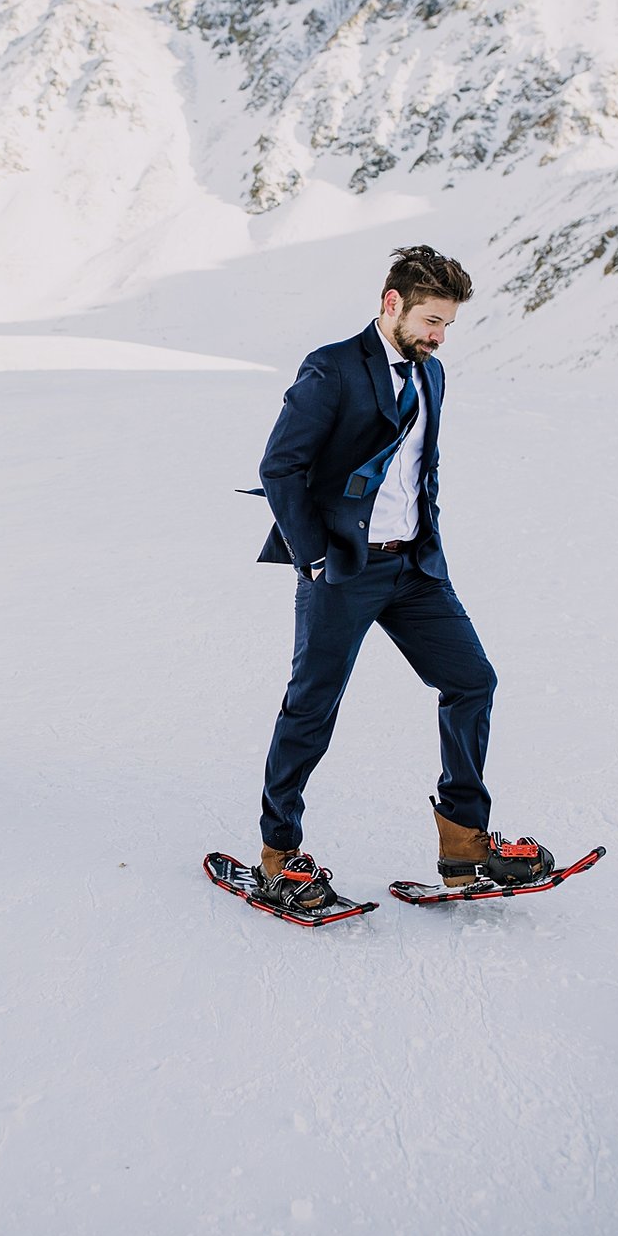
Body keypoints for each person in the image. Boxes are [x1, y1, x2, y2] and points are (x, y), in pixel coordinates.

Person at [250, 246, 551, 910]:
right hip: (344, 570)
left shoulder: (431, 374)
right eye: (432, 321)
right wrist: (317, 557)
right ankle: (278, 853)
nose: (440, 336)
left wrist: (425, 543)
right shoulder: (332, 368)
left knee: (472, 681)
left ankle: (463, 842)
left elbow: (421, 470)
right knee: (313, 706)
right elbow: (280, 468)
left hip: (414, 567)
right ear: (393, 305)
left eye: (447, 325)